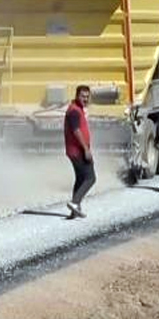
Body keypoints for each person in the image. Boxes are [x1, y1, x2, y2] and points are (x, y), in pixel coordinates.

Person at [63, 85, 95, 220]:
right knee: (90, 178)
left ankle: (75, 210)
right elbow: (76, 131)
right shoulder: (74, 111)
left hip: (75, 150)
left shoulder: (77, 109)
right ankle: (75, 203)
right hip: (78, 151)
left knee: (80, 178)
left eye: (87, 97)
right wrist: (86, 149)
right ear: (77, 96)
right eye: (83, 96)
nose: (85, 99)